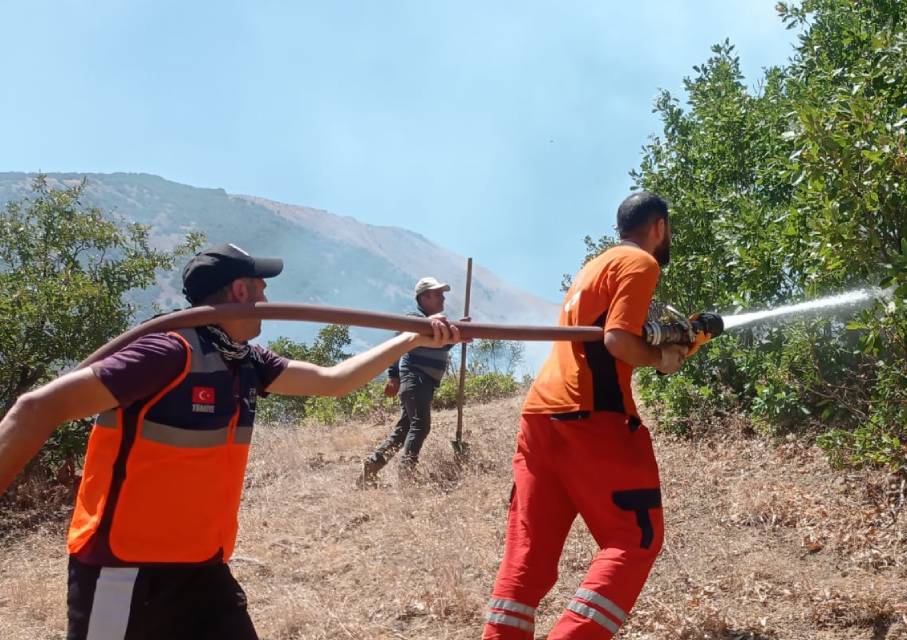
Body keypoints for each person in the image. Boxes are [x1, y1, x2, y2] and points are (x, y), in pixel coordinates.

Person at [0, 243, 460, 640]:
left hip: (202, 571)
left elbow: (333, 380)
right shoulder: (166, 351)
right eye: (260, 287)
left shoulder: (245, 361)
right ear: (240, 291)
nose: (266, 296)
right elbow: (34, 410)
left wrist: (410, 336)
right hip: (122, 572)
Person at [482, 192, 691, 639]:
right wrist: (661, 359)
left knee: (528, 559)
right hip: (592, 417)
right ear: (658, 227)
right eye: (667, 230)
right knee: (635, 540)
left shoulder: (594, 267)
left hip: (539, 419)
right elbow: (617, 340)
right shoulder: (641, 263)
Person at [359, 275, 454, 486]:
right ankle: (406, 475)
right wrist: (393, 376)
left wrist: (457, 332)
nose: (443, 298)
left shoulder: (434, 323)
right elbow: (396, 348)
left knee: (404, 430)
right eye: (438, 294)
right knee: (420, 426)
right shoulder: (414, 319)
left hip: (424, 383)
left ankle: (371, 468)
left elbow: (443, 346)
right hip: (415, 379)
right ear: (425, 297)